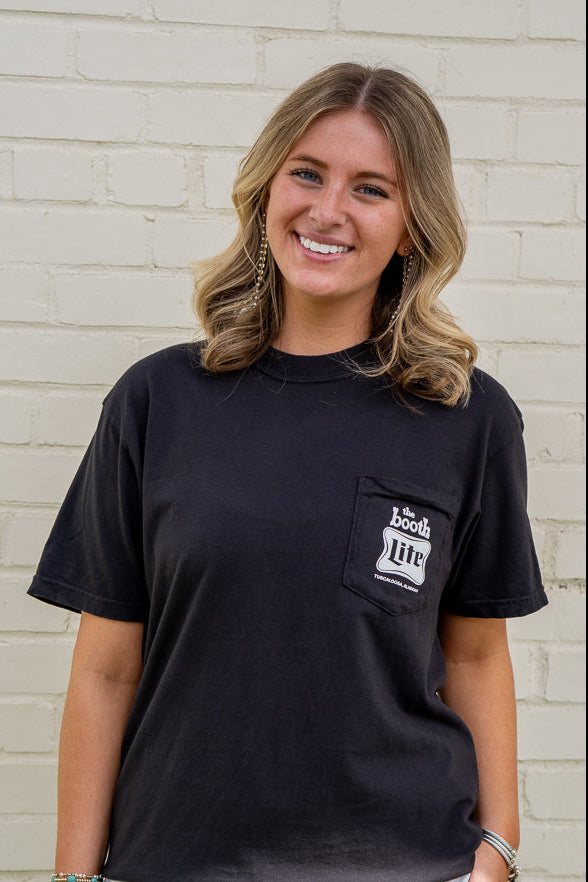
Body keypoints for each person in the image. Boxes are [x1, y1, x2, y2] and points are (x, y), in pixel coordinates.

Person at [29, 63, 546, 882]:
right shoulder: (158, 401)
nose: (328, 210)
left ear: (412, 228)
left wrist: (499, 851)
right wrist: (73, 875)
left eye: (371, 189)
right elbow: (104, 669)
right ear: (268, 188)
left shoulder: (465, 417)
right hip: (176, 862)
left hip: (405, 863)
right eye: (307, 173)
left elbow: (477, 655)